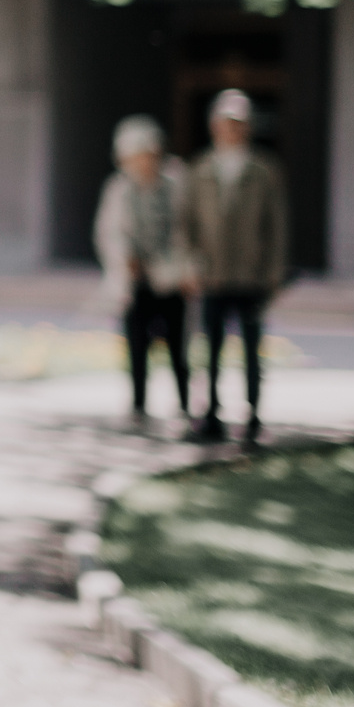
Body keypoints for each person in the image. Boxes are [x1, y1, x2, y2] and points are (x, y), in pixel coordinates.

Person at [184, 88, 287, 447]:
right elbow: (187, 224)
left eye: (239, 124)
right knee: (208, 348)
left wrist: (273, 270)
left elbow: (276, 225)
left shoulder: (264, 170)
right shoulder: (200, 169)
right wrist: (190, 265)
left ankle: (253, 415)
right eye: (226, 123)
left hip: (250, 274)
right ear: (215, 126)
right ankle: (210, 412)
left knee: (251, 348)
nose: (232, 130)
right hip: (212, 273)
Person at [93, 114, 192, 430]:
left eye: (148, 155)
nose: (143, 163)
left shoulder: (175, 184)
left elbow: (187, 231)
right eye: (135, 157)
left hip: (170, 279)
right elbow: (108, 234)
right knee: (136, 346)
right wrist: (124, 262)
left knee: (177, 346)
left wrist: (185, 269)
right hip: (135, 283)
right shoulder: (119, 190)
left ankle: (185, 404)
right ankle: (138, 405)